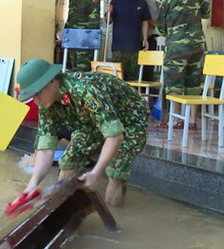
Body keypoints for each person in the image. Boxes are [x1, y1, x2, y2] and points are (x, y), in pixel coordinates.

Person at [14, 58, 149, 206]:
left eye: (37, 93)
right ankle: (64, 211)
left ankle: (113, 221)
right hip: (91, 122)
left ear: (52, 81)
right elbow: (46, 150)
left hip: (130, 118)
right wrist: (31, 186)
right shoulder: (46, 104)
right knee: (67, 162)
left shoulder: (84, 90)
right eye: (31, 96)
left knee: (115, 171)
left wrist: (96, 173)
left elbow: (115, 136)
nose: (35, 100)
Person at [149, 0, 210, 129]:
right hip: (198, 45)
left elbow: (161, 29)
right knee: (193, 82)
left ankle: (176, 119)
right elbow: (207, 12)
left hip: (177, 47)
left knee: (173, 83)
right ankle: (192, 121)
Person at [106, 0, 151, 81]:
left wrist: (145, 38)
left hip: (135, 46)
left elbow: (145, 21)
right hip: (118, 47)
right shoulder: (116, 1)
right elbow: (108, 21)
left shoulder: (142, 3)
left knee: (134, 79)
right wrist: (108, 12)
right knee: (118, 78)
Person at [64, 0, 101, 72]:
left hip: (85, 37)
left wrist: (79, 28)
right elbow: (71, 16)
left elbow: (94, 19)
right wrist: (66, 30)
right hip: (73, 36)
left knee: (83, 69)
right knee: (74, 68)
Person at [134, 0, 159, 81]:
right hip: (133, 38)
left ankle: (149, 98)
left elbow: (161, 18)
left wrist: (149, 21)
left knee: (148, 72)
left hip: (150, 37)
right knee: (134, 71)